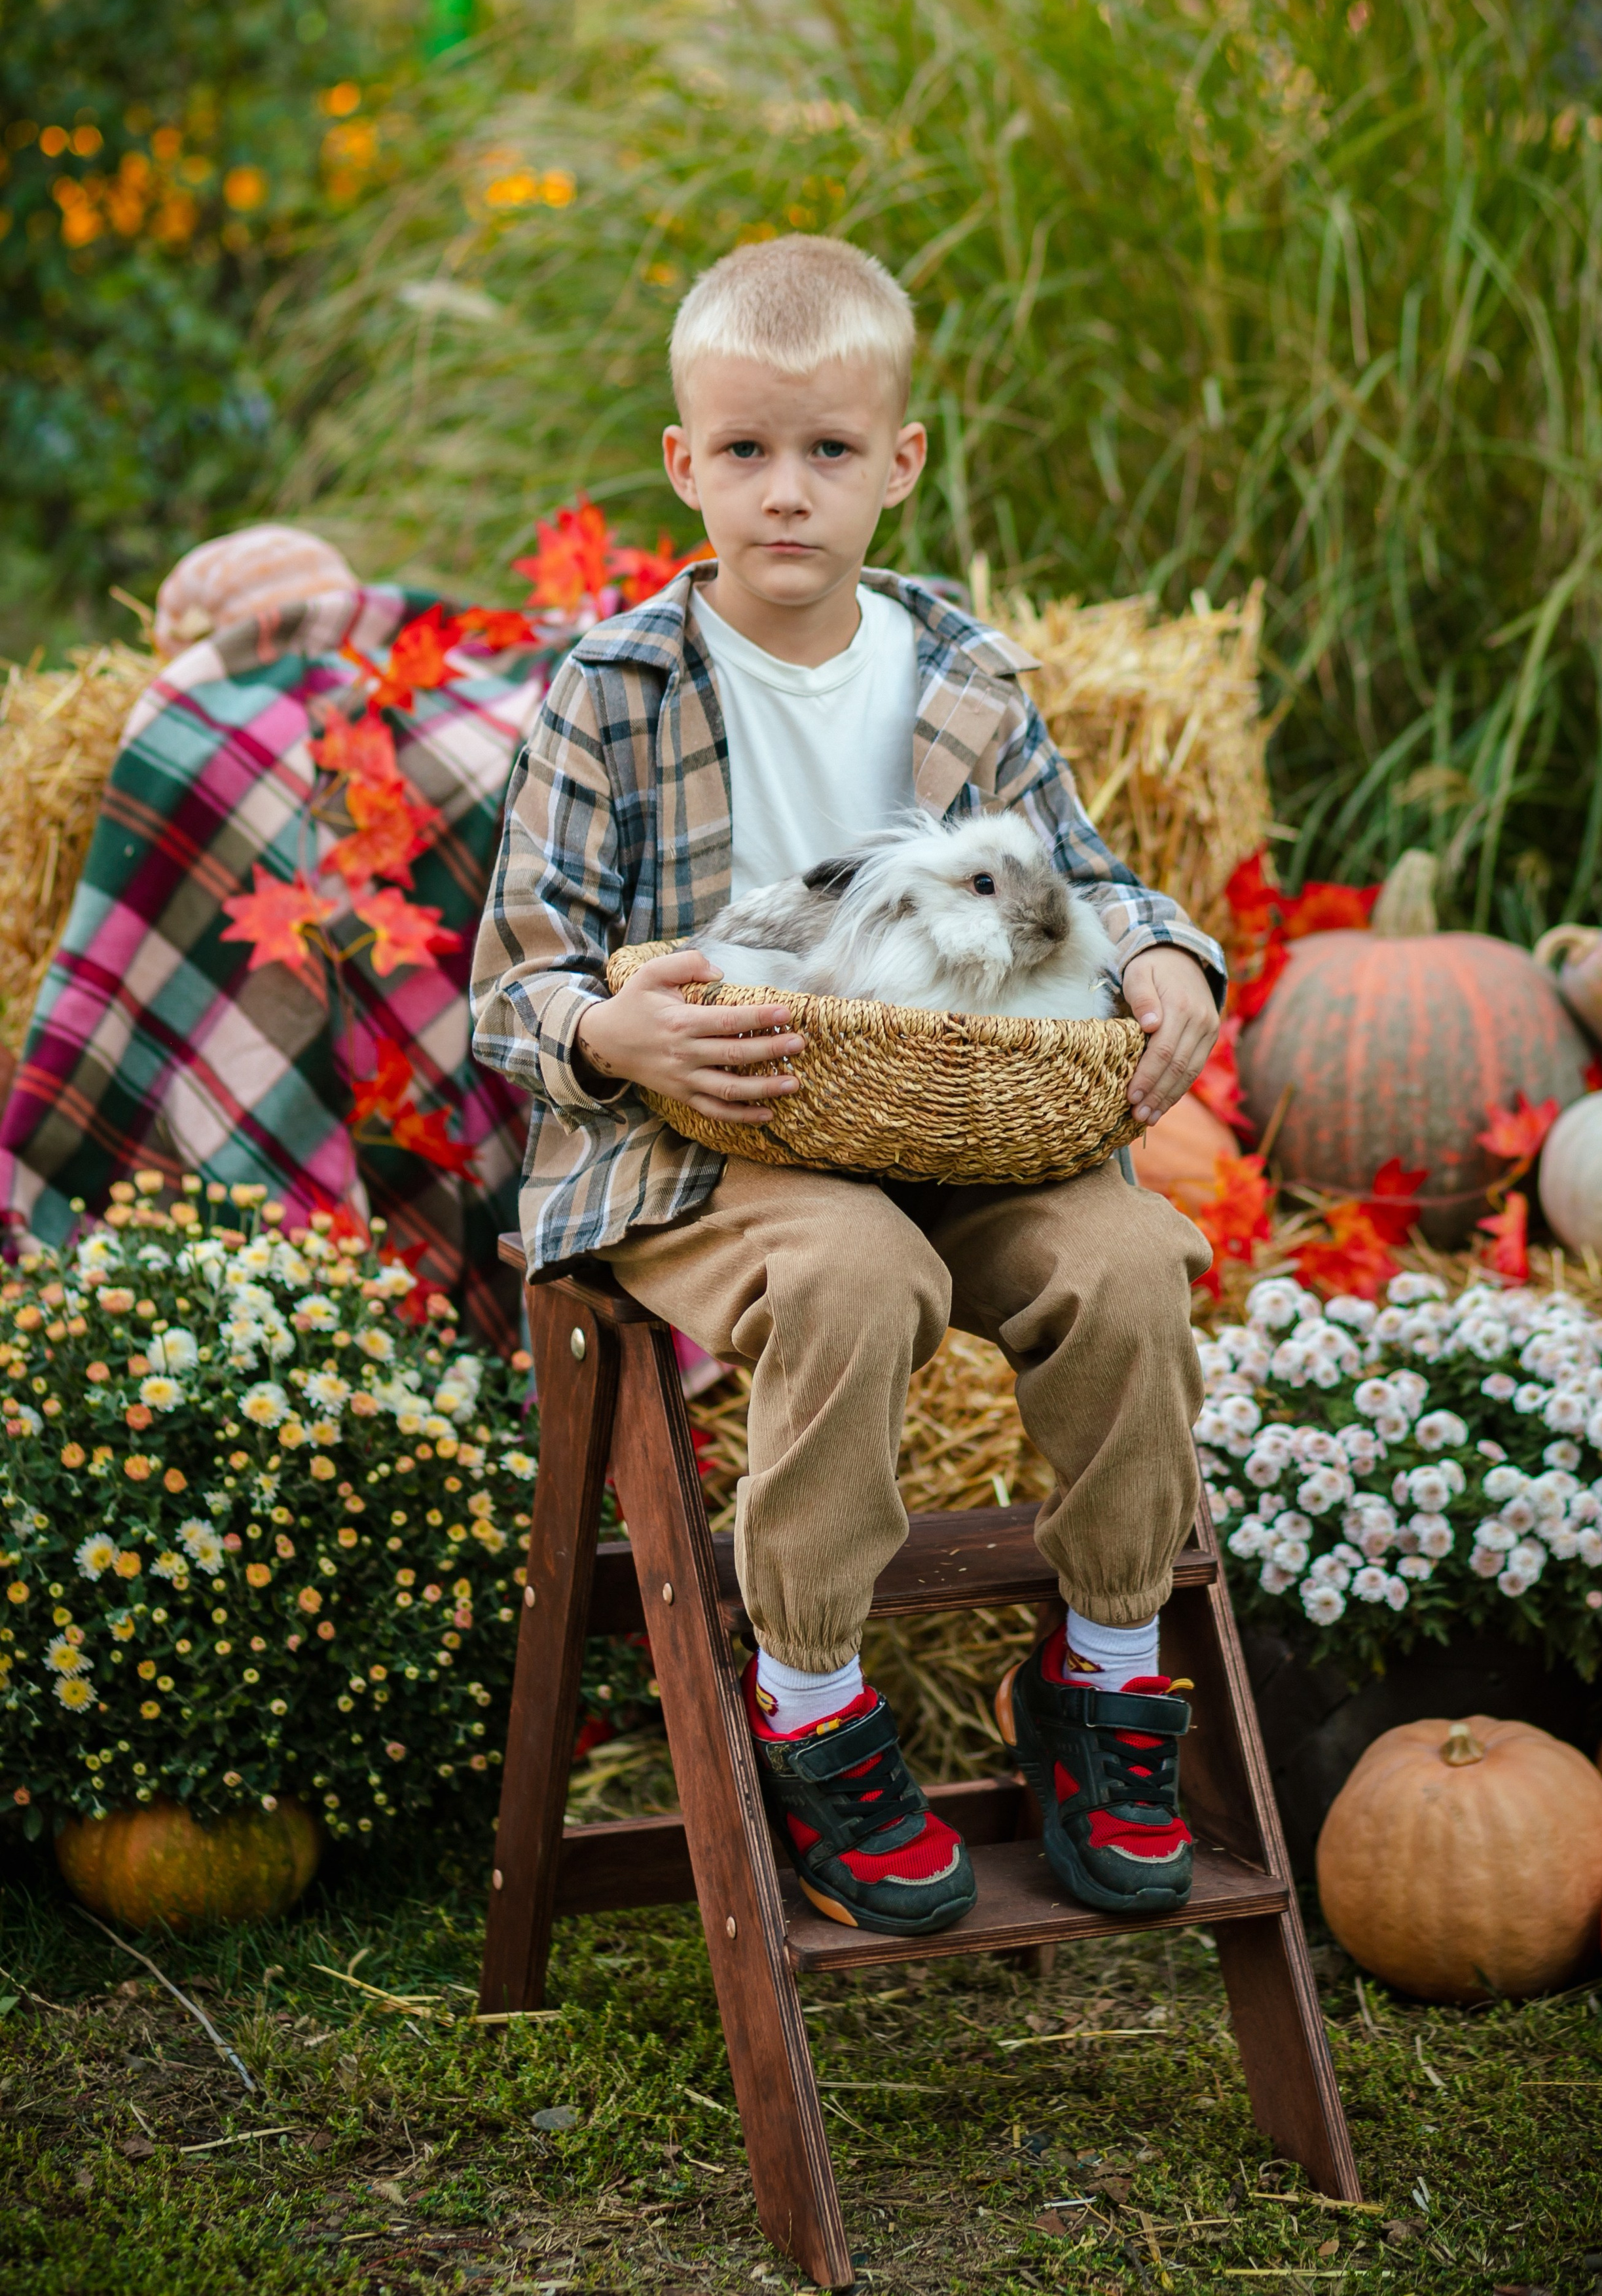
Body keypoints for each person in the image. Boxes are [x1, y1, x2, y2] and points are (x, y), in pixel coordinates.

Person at [472, 234, 1224, 1936]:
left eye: (828, 454)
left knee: (1129, 1268)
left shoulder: (963, 672)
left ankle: (1106, 1670)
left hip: (965, 1123)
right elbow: (514, 984)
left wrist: (1168, 960)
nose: (785, 495)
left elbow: (1092, 883)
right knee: (856, 1271)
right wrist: (616, 1031)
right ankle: (809, 1701)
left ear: (903, 463)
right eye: (744, 453)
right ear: (684, 466)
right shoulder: (611, 692)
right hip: (709, 1147)